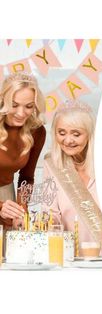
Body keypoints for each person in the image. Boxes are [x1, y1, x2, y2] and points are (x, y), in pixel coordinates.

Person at [43, 100, 102, 258]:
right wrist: (46, 225)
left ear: (89, 134)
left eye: (76, 134)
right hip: (70, 257)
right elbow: (51, 213)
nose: (68, 140)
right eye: (61, 133)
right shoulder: (52, 164)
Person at [0, 72, 46, 230]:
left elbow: (26, 177)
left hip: (6, 196)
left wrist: (22, 207)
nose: (21, 113)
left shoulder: (37, 131)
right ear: (3, 100)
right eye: (14, 105)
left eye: (28, 106)